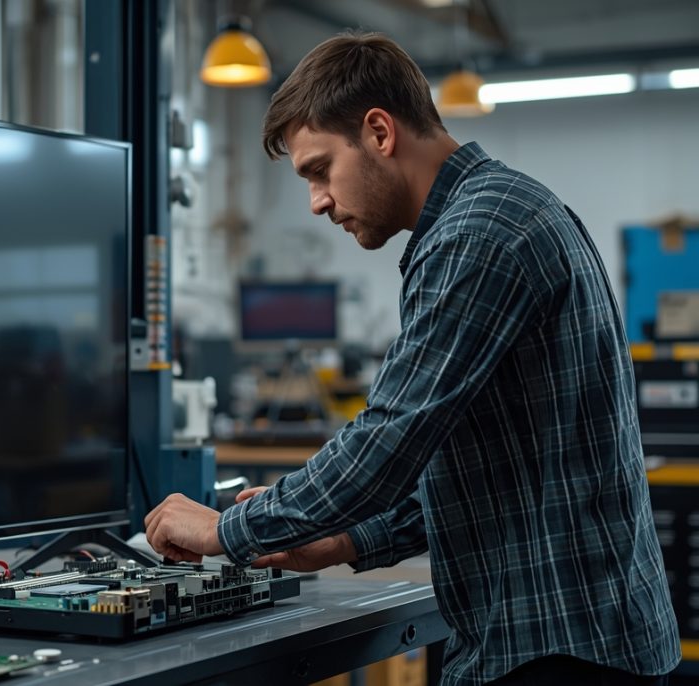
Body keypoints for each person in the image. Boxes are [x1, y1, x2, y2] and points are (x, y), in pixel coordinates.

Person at [144, 31, 679, 685]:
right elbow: (501, 473)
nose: (316, 201)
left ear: (378, 132)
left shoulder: (479, 234)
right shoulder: (499, 214)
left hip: (560, 648)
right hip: (571, 636)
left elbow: (387, 441)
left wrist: (229, 530)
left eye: (318, 170)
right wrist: (345, 540)